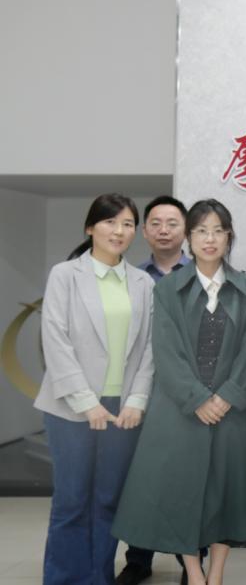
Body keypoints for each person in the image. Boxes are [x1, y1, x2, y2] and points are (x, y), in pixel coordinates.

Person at [112, 199, 246, 585]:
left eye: (218, 231)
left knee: (226, 495)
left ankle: (215, 574)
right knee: (181, 494)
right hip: (179, 412)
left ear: (229, 237)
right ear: (189, 237)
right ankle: (193, 571)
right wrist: (197, 399)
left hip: (233, 412)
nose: (209, 238)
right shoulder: (168, 288)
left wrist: (227, 395)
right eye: (201, 231)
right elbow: (166, 351)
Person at [34, 193, 155, 585]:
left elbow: (150, 347)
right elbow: (55, 340)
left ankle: (97, 577)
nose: (119, 231)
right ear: (90, 228)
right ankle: (63, 578)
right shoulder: (65, 275)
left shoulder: (142, 282)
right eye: (110, 222)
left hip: (123, 409)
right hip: (70, 406)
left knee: (108, 500)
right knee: (72, 501)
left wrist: (137, 399)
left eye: (127, 224)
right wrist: (87, 403)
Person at [118, 194, 192, 585]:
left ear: (186, 230)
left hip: (189, 394)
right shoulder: (129, 277)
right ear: (144, 231)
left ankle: (190, 561)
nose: (164, 231)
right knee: (141, 477)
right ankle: (138, 558)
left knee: (187, 479)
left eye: (172, 223)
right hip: (140, 392)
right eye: (156, 224)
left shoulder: (202, 274)